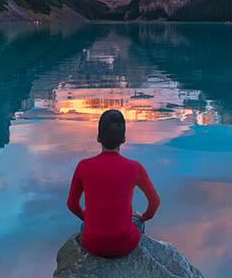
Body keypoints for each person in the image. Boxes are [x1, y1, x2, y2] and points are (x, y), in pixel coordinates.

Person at [66, 109, 161, 257]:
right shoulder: (135, 168)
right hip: (125, 244)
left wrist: (87, 217)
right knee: (137, 224)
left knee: (84, 226)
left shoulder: (83, 166)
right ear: (123, 139)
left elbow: (72, 204)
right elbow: (154, 202)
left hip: (92, 243)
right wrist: (142, 217)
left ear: (98, 138)